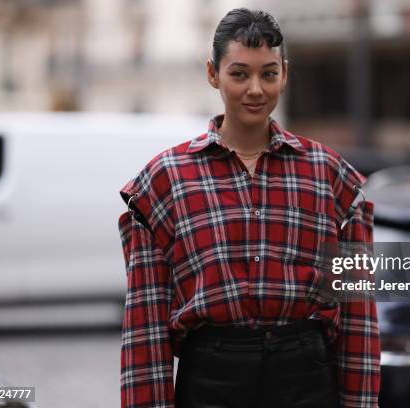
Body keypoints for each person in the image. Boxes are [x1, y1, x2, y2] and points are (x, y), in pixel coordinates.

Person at [118, 8, 380, 408]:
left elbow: (358, 315)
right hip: (209, 382)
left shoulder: (331, 177)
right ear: (213, 74)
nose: (255, 89)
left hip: (306, 381)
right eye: (239, 73)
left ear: (285, 74)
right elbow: (145, 326)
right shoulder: (164, 181)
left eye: (268, 74)